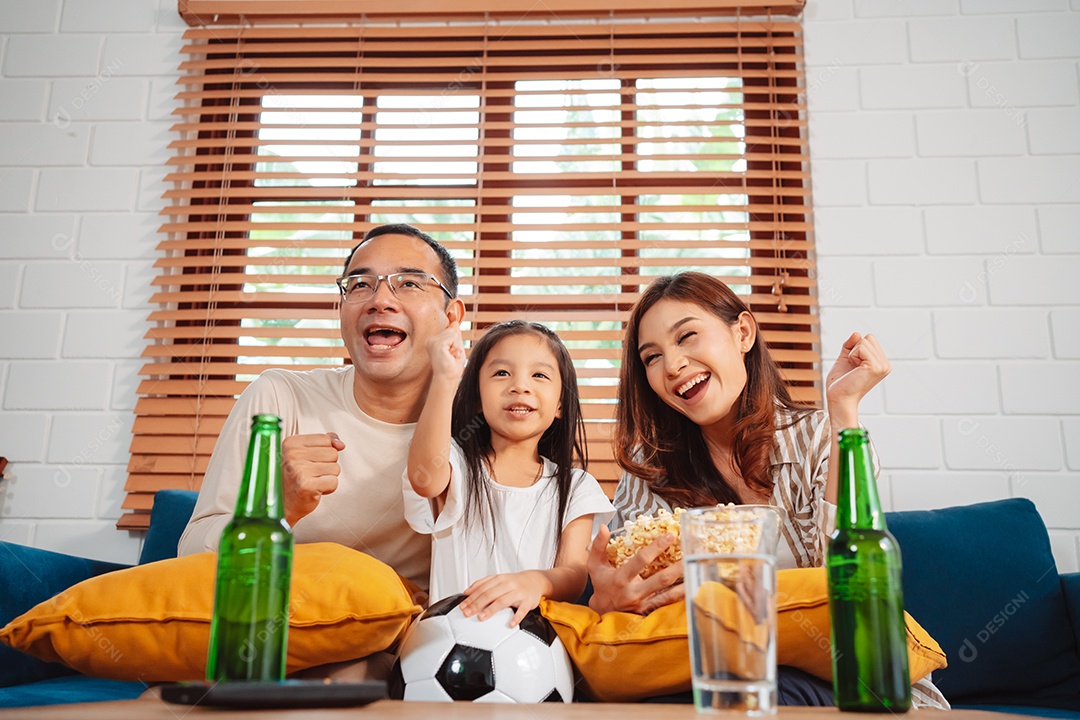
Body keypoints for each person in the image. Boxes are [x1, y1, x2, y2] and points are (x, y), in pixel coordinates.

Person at [583, 271, 948, 709]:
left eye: (688, 337)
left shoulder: (822, 436)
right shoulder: (649, 475)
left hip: (846, 683)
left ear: (743, 333)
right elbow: (631, 614)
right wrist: (606, 601)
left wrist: (843, 409)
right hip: (708, 677)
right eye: (651, 357)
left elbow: (850, 583)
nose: (673, 365)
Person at [178, 223, 465, 597]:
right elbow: (189, 556)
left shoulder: (487, 418)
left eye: (409, 283)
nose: (380, 299)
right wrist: (280, 510)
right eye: (360, 285)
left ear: (452, 317)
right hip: (292, 620)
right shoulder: (280, 398)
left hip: (415, 636)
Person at [404, 320, 614, 627]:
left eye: (539, 375)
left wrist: (535, 582)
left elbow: (574, 574)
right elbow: (425, 480)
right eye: (502, 373)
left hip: (534, 654)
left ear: (559, 404)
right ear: (476, 397)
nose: (520, 386)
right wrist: (445, 378)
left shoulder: (577, 486)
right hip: (445, 647)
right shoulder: (457, 467)